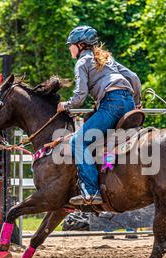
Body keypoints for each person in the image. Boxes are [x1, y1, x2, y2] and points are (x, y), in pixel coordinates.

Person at [57, 26, 141, 205]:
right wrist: (137, 102)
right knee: (109, 140)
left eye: (71, 45)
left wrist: (66, 105)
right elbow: (133, 77)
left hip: (111, 104)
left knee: (78, 142)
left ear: (80, 45)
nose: (69, 48)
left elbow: (80, 96)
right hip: (128, 102)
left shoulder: (82, 62)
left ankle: (91, 191)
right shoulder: (107, 59)